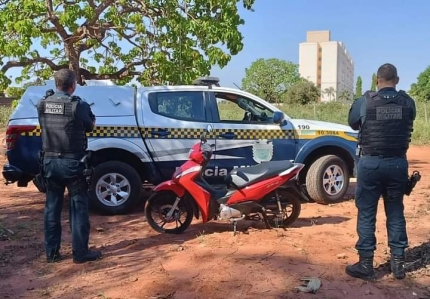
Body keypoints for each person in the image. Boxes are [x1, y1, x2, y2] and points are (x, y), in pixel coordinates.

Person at [345, 63, 416, 280]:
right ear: (397, 79)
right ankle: (398, 265)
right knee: (395, 212)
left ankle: (366, 265)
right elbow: (408, 120)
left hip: (371, 164)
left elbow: (352, 123)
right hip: (397, 165)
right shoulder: (408, 102)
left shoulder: (365, 101)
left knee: (367, 213)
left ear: (377, 80)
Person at [37, 69, 102, 264]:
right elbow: (90, 125)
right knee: (78, 208)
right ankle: (80, 253)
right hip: (73, 164)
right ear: (73, 85)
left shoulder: (42, 103)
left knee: (52, 209)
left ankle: (52, 254)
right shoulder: (77, 105)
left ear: (56, 84)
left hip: (49, 164)